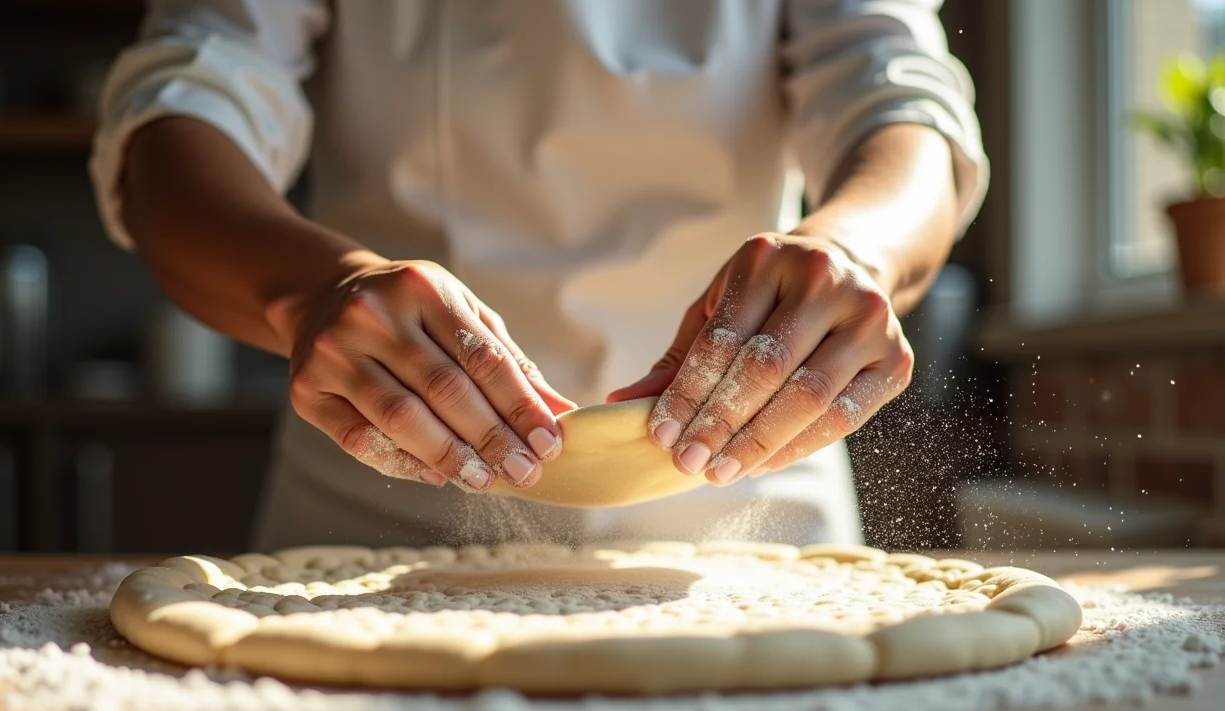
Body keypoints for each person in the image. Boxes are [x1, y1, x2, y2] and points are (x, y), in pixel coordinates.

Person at [89, 0, 987, 551]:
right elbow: (187, 111)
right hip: (380, 521)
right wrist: (314, 291)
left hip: (753, 517)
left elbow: (899, 97)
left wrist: (853, 256)